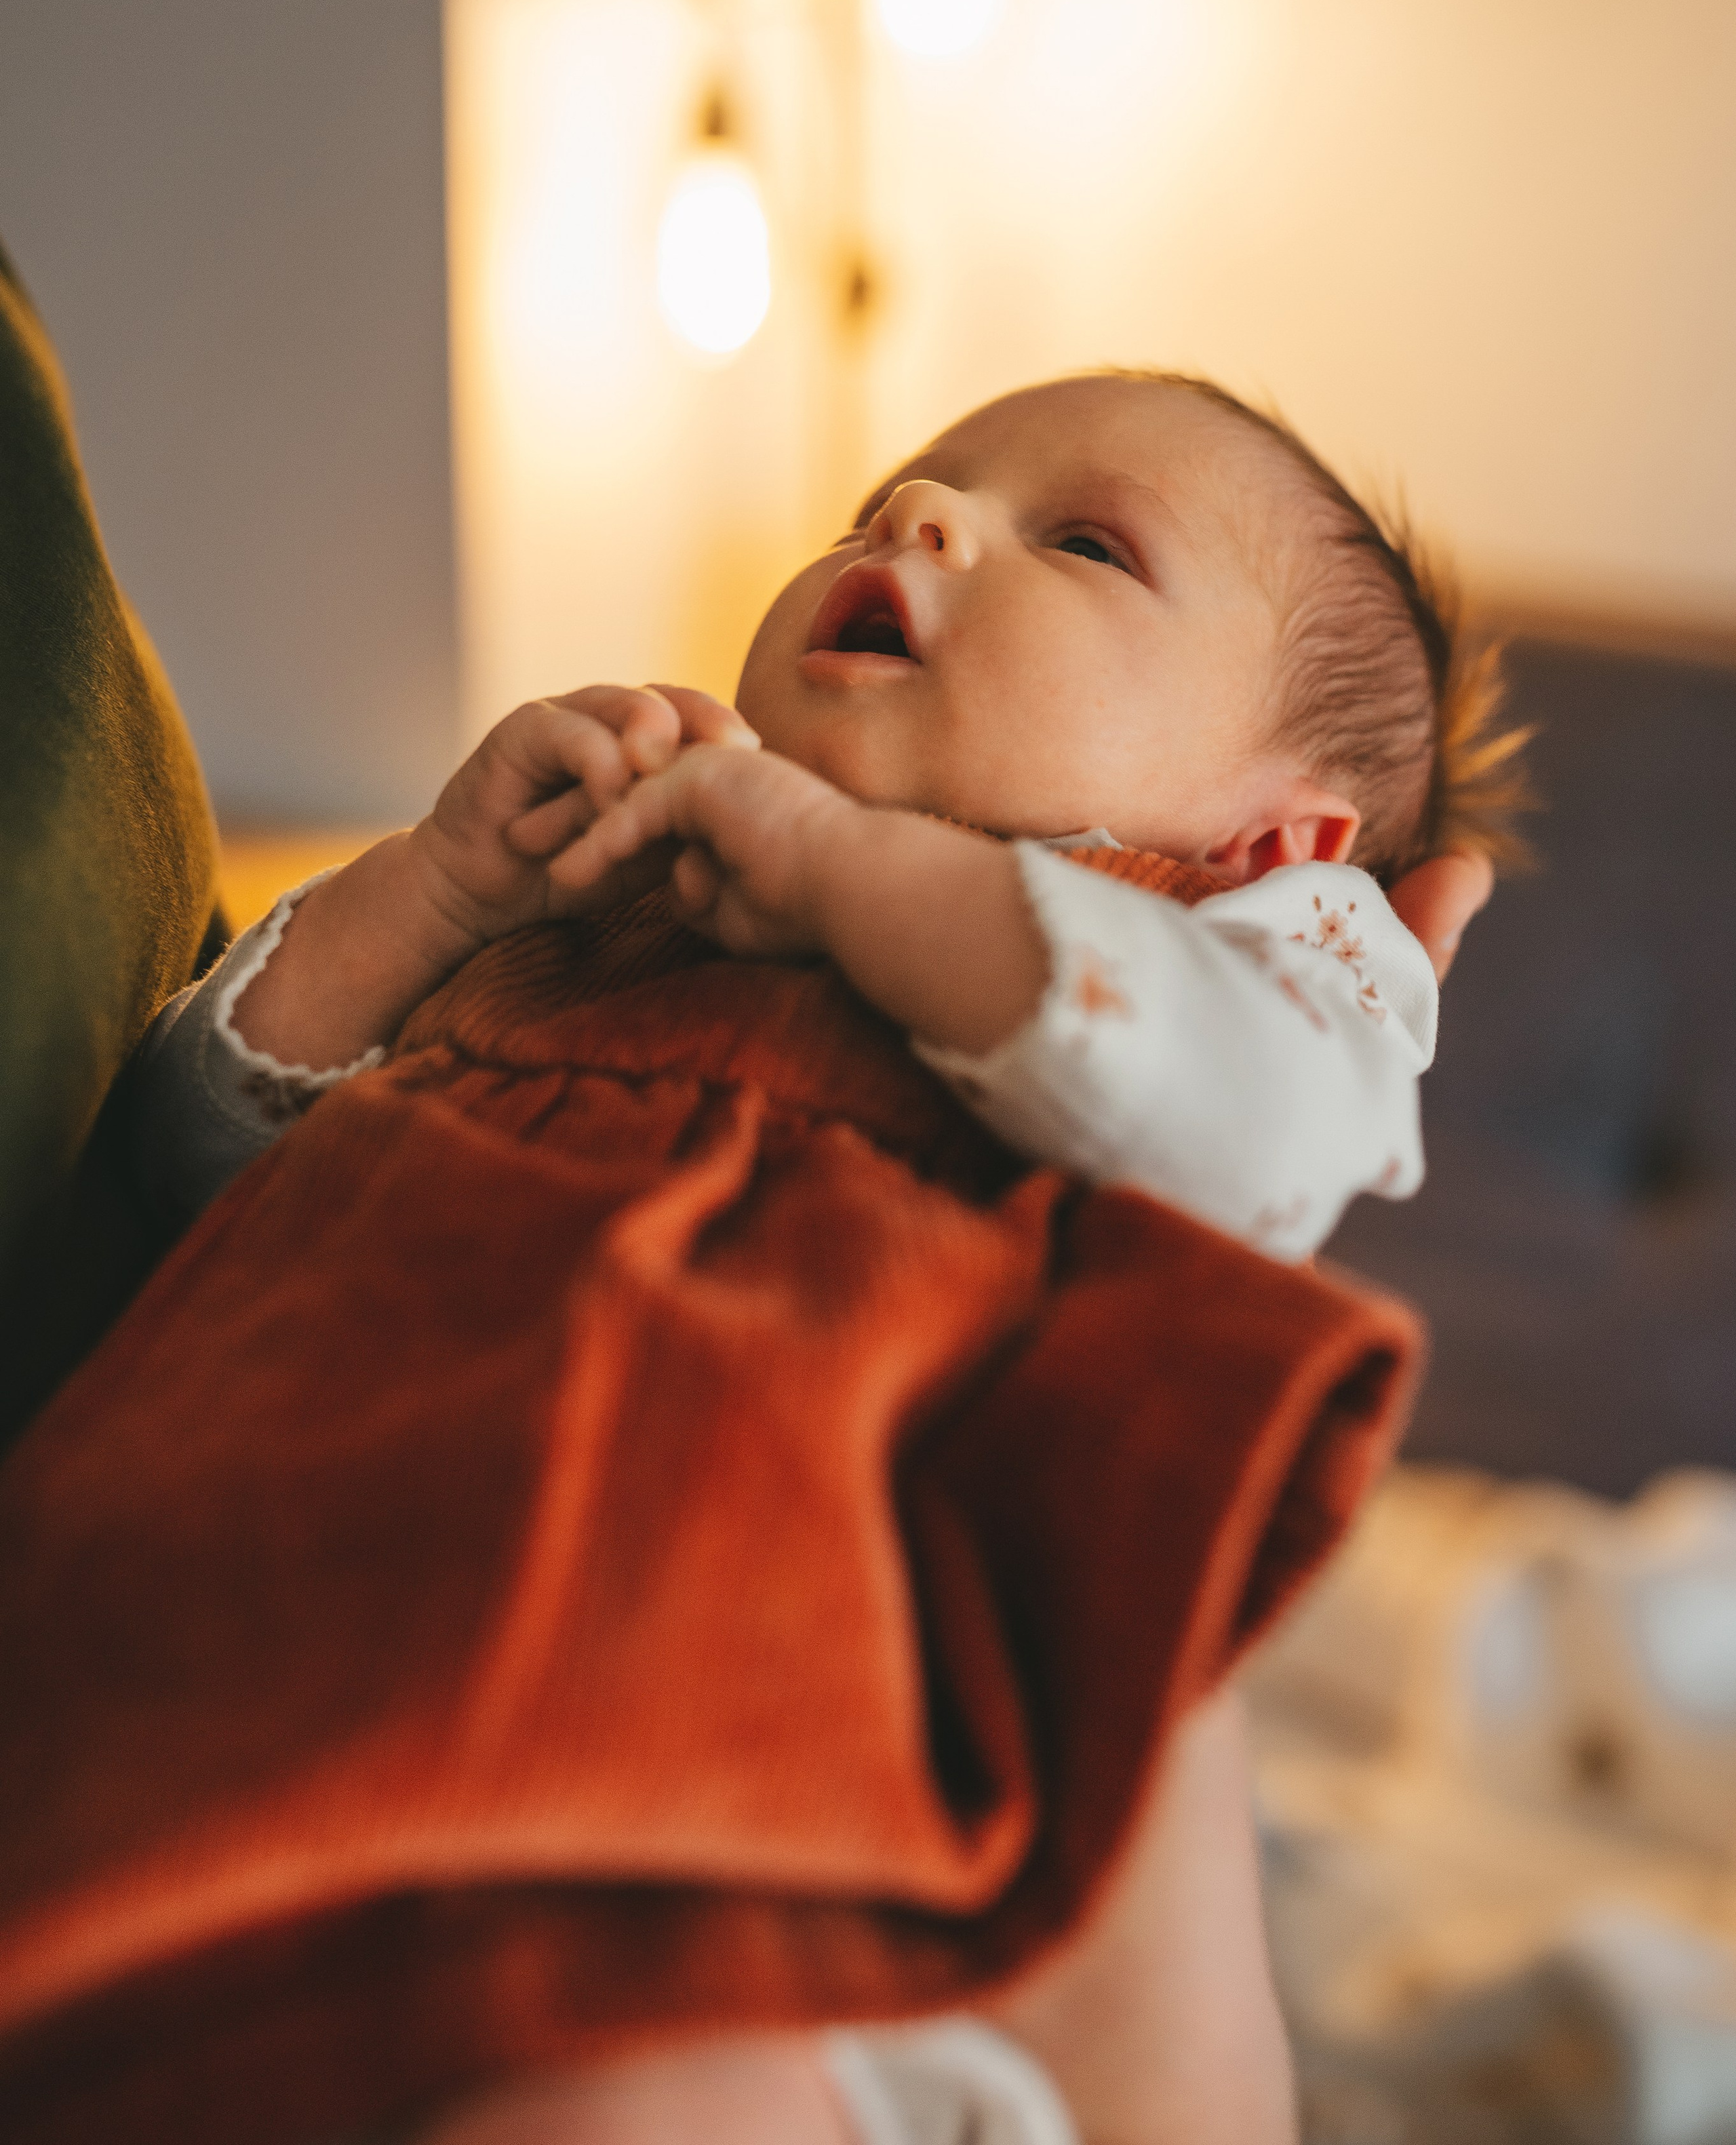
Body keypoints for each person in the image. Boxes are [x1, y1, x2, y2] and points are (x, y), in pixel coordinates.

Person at [135, 370, 1523, 2145]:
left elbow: (1256, 1130)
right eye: (893, 498)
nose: (919, 519)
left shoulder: (1224, 952)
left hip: (724, 1760)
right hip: (302, 1635)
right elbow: (189, 1163)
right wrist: (433, 887)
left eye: (1087, 544)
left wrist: (847, 875)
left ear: (1282, 845)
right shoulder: (618, 881)